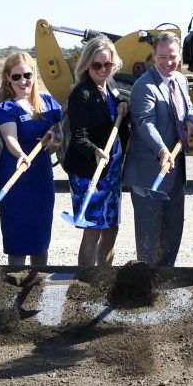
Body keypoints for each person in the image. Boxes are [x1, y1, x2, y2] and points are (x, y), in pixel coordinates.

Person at [122, 31, 193, 267]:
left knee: (173, 231)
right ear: (153, 56)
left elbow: (189, 107)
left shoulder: (180, 80)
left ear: (180, 56)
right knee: (149, 238)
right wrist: (162, 150)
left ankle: (165, 280)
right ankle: (145, 286)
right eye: (162, 57)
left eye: (172, 56)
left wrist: (191, 122)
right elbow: (144, 123)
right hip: (148, 174)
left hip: (175, 173)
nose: (168, 62)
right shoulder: (144, 86)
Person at [63, 37, 129, 267]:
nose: (103, 69)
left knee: (111, 227)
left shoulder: (108, 85)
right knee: (92, 230)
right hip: (89, 170)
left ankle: (104, 278)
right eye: (97, 65)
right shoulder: (81, 94)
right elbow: (78, 136)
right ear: (86, 65)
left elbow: (115, 98)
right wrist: (95, 152)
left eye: (108, 64)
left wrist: (121, 102)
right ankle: (85, 281)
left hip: (110, 172)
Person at [0, 50, 62, 264]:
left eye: (27, 75)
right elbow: (9, 137)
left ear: (34, 73)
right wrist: (21, 154)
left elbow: (59, 133)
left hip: (41, 177)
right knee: (18, 241)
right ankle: (14, 287)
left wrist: (55, 138)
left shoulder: (49, 103)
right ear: (7, 78)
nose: (23, 81)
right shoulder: (6, 107)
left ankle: (37, 288)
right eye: (16, 77)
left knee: (40, 241)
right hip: (16, 176)